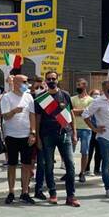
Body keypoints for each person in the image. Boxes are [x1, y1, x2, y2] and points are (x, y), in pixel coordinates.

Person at [35, 71, 79, 207]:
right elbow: (37, 119)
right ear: (45, 81)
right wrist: (37, 137)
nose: (51, 81)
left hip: (64, 133)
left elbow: (70, 114)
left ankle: (70, 196)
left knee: (70, 166)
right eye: (49, 79)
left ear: (57, 79)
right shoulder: (41, 97)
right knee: (49, 166)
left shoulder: (65, 95)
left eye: (53, 78)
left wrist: (74, 133)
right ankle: (53, 194)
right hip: (47, 135)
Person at [0, 75, 36, 205]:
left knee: (26, 165)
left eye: (27, 81)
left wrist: (33, 132)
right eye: (24, 82)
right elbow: (5, 117)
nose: (26, 84)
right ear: (15, 82)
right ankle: (11, 192)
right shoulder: (7, 97)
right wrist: (14, 111)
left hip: (26, 135)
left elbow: (32, 115)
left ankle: (24, 192)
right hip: (11, 136)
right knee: (12, 165)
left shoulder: (28, 97)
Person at [70, 78, 93, 183]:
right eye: (77, 84)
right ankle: (70, 171)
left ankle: (82, 172)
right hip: (73, 127)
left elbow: (87, 113)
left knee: (85, 151)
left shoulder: (91, 100)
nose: (77, 86)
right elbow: (70, 112)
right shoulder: (72, 99)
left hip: (86, 128)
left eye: (79, 84)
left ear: (85, 86)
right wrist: (81, 112)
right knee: (70, 151)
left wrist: (76, 111)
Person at [86, 89, 102, 176]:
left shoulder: (101, 105)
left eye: (98, 94)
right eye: (95, 94)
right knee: (89, 151)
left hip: (99, 130)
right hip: (90, 130)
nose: (96, 96)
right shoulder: (90, 105)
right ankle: (86, 168)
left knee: (99, 151)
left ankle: (97, 169)